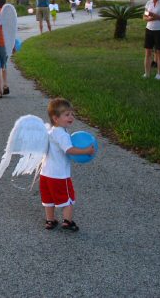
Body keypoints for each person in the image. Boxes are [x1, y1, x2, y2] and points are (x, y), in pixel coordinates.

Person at [40, 98, 95, 231]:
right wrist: (86, 150)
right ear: (56, 118)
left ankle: (50, 220)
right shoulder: (62, 134)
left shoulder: (50, 132)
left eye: (72, 114)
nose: (71, 117)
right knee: (68, 199)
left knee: (49, 199)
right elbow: (69, 150)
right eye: (67, 114)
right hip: (59, 175)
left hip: (45, 174)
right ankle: (67, 221)